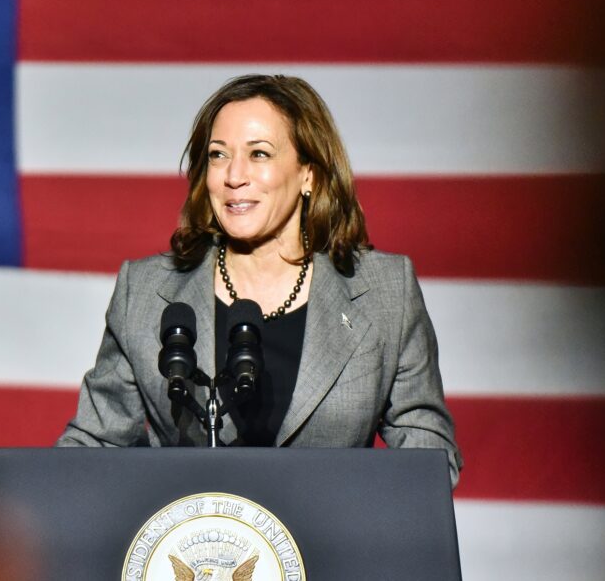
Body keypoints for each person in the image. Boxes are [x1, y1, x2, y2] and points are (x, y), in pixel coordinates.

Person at [56, 74, 463, 487]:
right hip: (195, 547)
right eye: (218, 155)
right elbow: (93, 447)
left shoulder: (386, 291)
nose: (234, 175)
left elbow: (429, 456)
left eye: (259, 154)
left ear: (309, 174)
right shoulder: (142, 291)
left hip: (331, 547)